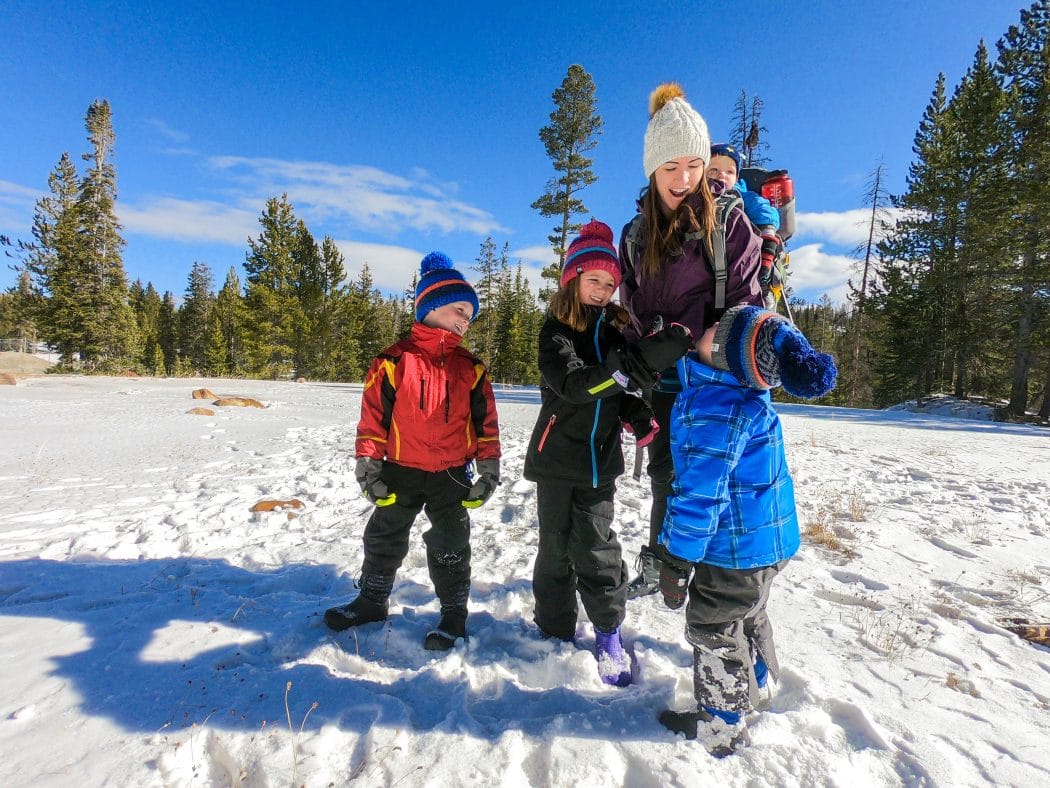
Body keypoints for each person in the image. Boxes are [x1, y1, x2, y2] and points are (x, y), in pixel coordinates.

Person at [655, 305, 837, 754]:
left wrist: (677, 558)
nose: (708, 323)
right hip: (765, 543)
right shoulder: (740, 393)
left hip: (733, 549)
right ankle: (757, 680)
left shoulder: (718, 408)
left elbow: (700, 495)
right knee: (749, 610)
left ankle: (721, 723)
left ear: (721, 350)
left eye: (717, 327)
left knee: (713, 624)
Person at [523, 220, 692, 687]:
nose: (601, 290)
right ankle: (554, 626)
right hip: (556, 459)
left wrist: (640, 417)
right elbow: (576, 386)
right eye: (593, 280)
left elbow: (623, 392)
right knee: (554, 550)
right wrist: (620, 372)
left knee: (597, 548)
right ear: (572, 279)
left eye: (610, 284)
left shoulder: (616, 334)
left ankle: (608, 630)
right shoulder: (555, 330)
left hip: (599, 463)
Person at [618, 82, 764, 599]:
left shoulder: (729, 225)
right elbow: (632, 306)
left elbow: (750, 307)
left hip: (716, 385)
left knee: (715, 488)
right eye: (670, 168)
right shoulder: (634, 235)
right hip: (662, 385)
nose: (684, 179)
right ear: (651, 170)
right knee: (666, 479)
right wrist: (638, 353)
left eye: (694, 166)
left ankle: (718, 596)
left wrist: (708, 339)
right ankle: (664, 569)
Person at [324, 251, 501, 651]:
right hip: (399, 471)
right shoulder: (393, 361)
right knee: (383, 537)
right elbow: (373, 419)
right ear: (432, 306)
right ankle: (371, 600)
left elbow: (487, 426)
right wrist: (368, 464)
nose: (465, 319)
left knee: (451, 544)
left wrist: (488, 470)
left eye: (469, 314)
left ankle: (453, 614)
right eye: (459, 309)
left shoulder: (471, 368)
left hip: (452, 474)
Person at [707, 142, 785, 310]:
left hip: (742, 258)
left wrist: (768, 235)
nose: (722, 175)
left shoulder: (742, 196)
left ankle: (763, 300)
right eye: (714, 170)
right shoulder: (698, 199)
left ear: (736, 177)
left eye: (729, 171)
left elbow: (764, 211)